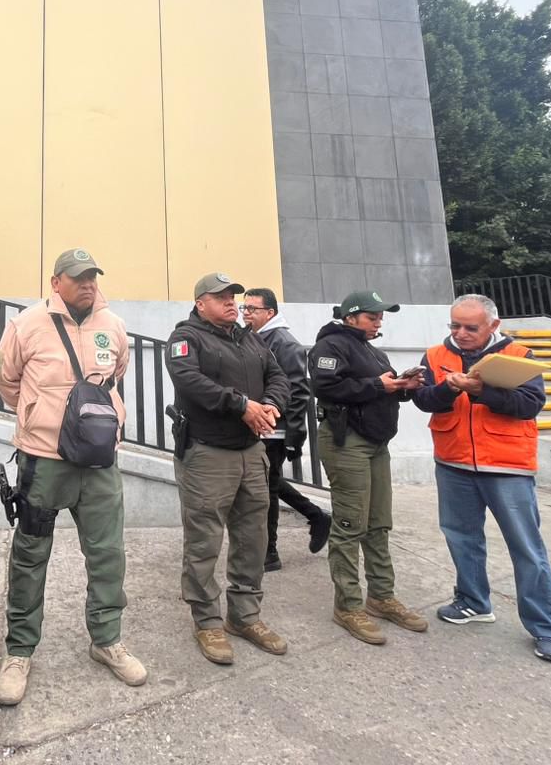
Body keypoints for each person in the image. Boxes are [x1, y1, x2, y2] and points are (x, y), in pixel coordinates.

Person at [0, 248, 146, 705]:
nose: (88, 284)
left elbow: (116, 374)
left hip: (99, 463)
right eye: (78, 277)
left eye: (92, 276)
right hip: (43, 462)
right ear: (56, 282)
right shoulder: (26, 324)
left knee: (107, 553)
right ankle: (19, 651)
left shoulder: (113, 325)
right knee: (30, 554)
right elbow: (6, 381)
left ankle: (107, 639)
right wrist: (40, 415)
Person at [412, 294, 551, 664]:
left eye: (471, 327)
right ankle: (472, 602)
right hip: (453, 461)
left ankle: (547, 629)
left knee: (526, 548)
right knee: (461, 537)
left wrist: (484, 392)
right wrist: (448, 388)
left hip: (507, 465)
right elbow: (424, 400)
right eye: (455, 325)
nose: (461, 333)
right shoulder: (435, 355)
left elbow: (530, 405)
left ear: (493, 326)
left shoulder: (518, 355)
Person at [166, 273, 291, 665]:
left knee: (253, 537)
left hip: (251, 452)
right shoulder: (186, 338)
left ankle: (245, 615)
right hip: (207, 454)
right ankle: (207, 621)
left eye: (233, 296)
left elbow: (278, 376)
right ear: (200, 303)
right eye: (220, 297)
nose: (230, 302)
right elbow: (189, 381)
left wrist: (270, 405)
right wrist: (241, 405)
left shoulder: (249, 338)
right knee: (204, 541)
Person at [309, 291, 427, 646]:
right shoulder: (330, 346)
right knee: (350, 524)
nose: (379, 322)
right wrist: (378, 384)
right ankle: (347, 606)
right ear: (350, 317)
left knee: (378, 523)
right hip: (347, 442)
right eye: (372, 316)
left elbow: (376, 390)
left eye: (380, 317)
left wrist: (401, 386)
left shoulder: (372, 351)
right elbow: (325, 385)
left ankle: (381, 596)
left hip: (376, 443)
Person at [241, 288, 330, 571]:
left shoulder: (283, 342)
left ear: (270, 313)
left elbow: (299, 390)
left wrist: (293, 434)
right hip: (257, 426)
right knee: (269, 481)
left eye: (252, 309)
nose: (246, 313)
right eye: (244, 308)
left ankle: (269, 552)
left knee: (267, 488)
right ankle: (315, 515)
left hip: (274, 429)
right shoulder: (253, 337)